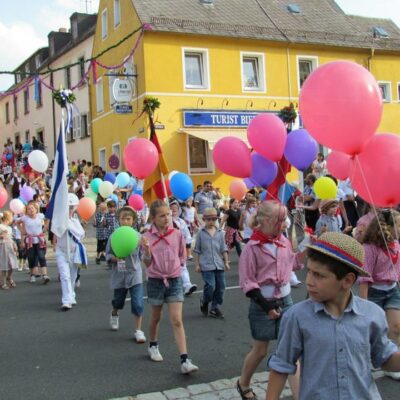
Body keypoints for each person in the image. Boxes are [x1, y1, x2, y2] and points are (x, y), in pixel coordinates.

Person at [266, 232, 400, 400]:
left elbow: (385, 358)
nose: (309, 281)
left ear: (347, 280)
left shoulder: (372, 314)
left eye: (319, 275)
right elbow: (281, 366)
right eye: (309, 271)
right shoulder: (296, 317)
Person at [237, 200, 303, 400]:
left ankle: (300, 395)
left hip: (286, 300)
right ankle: (243, 383)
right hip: (262, 303)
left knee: (291, 350)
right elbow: (247, 282)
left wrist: (308, 249)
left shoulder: (283, 241)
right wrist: (266, 307)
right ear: (265, 221)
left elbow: (294, 263)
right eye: (280, 220)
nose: (284, 224)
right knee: (260, 350)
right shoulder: (252, 248)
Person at [143, 199, 199, 374]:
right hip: (156, 280)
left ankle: (185, 360)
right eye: (162, 215)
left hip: (174, 279)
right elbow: (147, 262)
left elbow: (182, 255)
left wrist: (176, 267)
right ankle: (153, 344)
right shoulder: (146, 236)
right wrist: (146, 251)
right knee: (156, 317)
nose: (166, 218)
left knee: (176, 319)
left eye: (168, 214)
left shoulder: (177, 234)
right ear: (153, 218)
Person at [358, 210, 400, 380]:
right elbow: (364, 277)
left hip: (392, 290)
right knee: (373, 330)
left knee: (395, 327)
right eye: (398, 224)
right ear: (387, 227)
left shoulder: (396, 245)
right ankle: (366, 358)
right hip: (374, 292)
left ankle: (389, 362)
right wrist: (363, 304)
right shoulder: (369, 249)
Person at [107, 206, 146, 343]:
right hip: (119, 274)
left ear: (133, 221)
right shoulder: (113, 236)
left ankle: (138, 330)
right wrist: (114, 258)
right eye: (123, 218)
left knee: (138, 303)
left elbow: (143, 256)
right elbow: (108, 254)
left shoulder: (138, 237)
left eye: (128, 219)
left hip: (135, 273)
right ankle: (114, 312)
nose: (125, 221)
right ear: (119, 220)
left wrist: (146, 248)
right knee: (118, 301)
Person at [53, 194, 87, 311]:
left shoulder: (75, 221)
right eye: (67, 207)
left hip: (74, 252)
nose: (69, 210)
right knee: (64, 275)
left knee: (72, 276)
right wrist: (63, 224)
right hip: (61, 251)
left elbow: (81, 234)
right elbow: (55, 231)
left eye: (71, 208)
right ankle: (66, 300)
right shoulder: (57, 220)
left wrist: (70, 226)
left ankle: (71, 295)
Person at [194, 207, 229, 318]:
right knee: (211, 286)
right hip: (206, 265)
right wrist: (197, 264)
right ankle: (204, 300)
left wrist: (226, 261)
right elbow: (197, 250)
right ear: (204, 219)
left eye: (214, 219)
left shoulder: (220, 233)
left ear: (217, 219)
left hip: (219, 264)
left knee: (221, 287)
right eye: (208, 219)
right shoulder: (201, 233)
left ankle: (214, 308)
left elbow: (223, 249)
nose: (211, 221)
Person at [169, 200, 197, 296]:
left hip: (180, 248)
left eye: (176, 208)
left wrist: (187, 244)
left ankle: (187, 285)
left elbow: (187, 234)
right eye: (171, 209)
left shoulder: (182, 222)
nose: (174, 210)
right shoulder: (166, 221)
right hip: (168, 249)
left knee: (182, 266)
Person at [19, 200, 50, 284]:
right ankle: (32, 275)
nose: (31, 210)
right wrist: (22, 230)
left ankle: (45, 275)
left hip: (39, 239)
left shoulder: (40, 216)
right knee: (31, 258)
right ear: (27, 211)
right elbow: (17, 222)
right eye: (29, 209)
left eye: (32, 208)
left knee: (41, 257)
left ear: (36, 209)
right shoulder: (25, 218)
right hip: (30, 240)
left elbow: (47, 219)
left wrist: (45, 228)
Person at [0, 211, 18, 289]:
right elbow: (2, 236)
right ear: (8, 218)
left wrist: (14, 244)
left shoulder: (10, 228)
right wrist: (1, 235)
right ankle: (3, 282)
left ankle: (9, 277)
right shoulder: (0, 226)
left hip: (10, 246)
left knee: (12, 264)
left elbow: (11, 237)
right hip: (3, 246)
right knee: (4, 265)